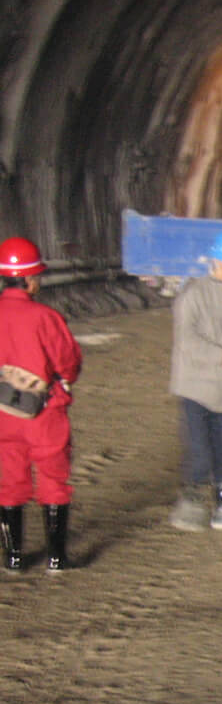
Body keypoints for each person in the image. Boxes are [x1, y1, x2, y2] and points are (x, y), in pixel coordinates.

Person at [0, 237, 82, 573]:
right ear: (31, 279)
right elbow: (68, 363)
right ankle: (56, 557)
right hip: (43, 412)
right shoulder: (45, 317)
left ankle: (14, 557)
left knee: (9, 481)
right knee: (52, 479)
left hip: (3, 412)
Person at [168, 229, 222, 532]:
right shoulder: (194, 294)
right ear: (219, 262)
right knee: (200, 450)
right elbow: (186, 338)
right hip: (195, 386)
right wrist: (221, 356)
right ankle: (191, 503)